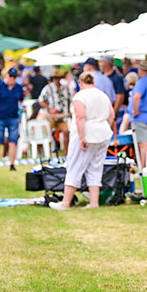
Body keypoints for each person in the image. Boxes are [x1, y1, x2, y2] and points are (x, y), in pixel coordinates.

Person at [49, 71, 115, 210]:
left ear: (80, 83)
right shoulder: (103, 95)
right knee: (95, 167)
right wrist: (104, 127)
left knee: (75, 166)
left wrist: (81, 137)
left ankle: (65, 202)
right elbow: (111, 115)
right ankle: (94, 202)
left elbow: (80, 118)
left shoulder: (80, 96)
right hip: (103, 133)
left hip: (88, 133)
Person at [0, 68, 25, 171]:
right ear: (7, 76)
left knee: (13, 141)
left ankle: (12, 164)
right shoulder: (0, 87)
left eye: (14, 77)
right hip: (1, 117)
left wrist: (22, 109)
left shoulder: (18, 88)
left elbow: (21, 101)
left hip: (13, 117)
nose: (12, 79)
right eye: (11, 76)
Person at [39, 70, 74, 154]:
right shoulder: (48, 88)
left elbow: (70, 101)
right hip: (51, 117)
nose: (57, 80)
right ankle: (51, 150)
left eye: (58, 78)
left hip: (63, 117)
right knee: (50, 133)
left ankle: (66, 151)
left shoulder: (66, 88)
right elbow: (41, 100)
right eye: (55, 78)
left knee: (66, 131)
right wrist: (49, 108)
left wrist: (69, 112)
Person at [99, 56, 126, 125]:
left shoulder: (117, 77)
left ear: (107, 63)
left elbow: (120, 96)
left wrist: (113, 112)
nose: (99, 64)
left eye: (101, 62)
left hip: (111, 112)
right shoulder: (100, 76)